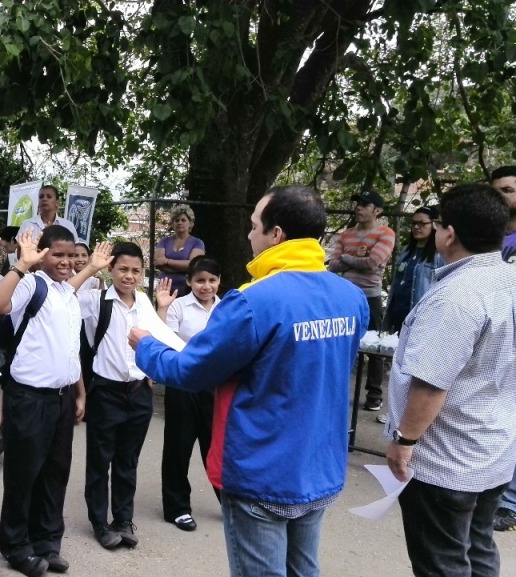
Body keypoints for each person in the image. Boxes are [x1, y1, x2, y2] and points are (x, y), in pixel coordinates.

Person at [130, 185, 368, 577]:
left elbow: (189, 371)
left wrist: (146, 346)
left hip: (263, 471)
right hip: (320, 465)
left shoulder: (252, 301)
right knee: (304, 569)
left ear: (276, 235)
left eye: (255, 225)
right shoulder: (349, 297)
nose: (248, 234)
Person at [384, 183, 516, 576]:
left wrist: (404, 442)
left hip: (446, 461)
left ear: (450, 233)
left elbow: (431, 383)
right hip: (493, 450)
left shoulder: (456, 297)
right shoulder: (511, 281)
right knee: (478, 549)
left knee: (441, 563)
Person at [0, 225, 87, 577]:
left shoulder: (65, 292)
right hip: (29, 399)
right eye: (57, 254)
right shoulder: (30, 284)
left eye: (70, 255)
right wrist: (21, 266)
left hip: (60, 400)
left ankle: (47, 541)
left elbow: (68, 350)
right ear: (41, 254)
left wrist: (78, 392)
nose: (65, 261)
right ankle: (16, 545)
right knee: (23, 474)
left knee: (55, 472)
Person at [67, 242, 159, 550]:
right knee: (99, 461)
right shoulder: (96, 301)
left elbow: (157, 337)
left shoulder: (144, 303)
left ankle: (123, 519)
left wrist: (148, 374)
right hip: (106, 393)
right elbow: (64, 294)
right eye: (123, 269)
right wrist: (90, 267)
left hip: (138, 393)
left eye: (135, 271)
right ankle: (99, 522)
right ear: (111, 270)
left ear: (143, 274)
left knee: (127, 460)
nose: (129, 276)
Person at [154, 256, 222, 532]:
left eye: (212, 280)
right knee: (178, 446)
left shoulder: (226, 308)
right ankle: (177, 507)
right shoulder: (177, 306)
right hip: (183, 383)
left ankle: (229, 502)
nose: (206, 286)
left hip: (215, 386)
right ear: (190, 281)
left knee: (216, 445)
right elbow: (166, 341)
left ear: (219, 281)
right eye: (200, 280)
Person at [328, 190, 396, 412]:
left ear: (377, 211)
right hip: (345, 296)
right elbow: (332, 265)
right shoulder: (346, 234)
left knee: (374, 347)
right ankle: (336, 391)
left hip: (370, 296)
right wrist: (358, 259)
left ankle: (374, 394)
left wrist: (347, 259)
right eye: (358, 203)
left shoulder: (386, 233)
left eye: (365, 204)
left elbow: (374, 262)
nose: (358, 207)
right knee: (341, 342)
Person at [490, 165, 516, 533]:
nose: (503, 196)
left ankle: (512, 501)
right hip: (493, 337)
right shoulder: (492, 236)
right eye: (497, 190)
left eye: (509, 189)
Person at [382, 206, 440, 334]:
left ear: (434, 225)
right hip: (399, 314)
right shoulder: (406, 250)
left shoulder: (439, 254)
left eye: (422, 223)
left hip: (421, 318)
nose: (416, 227)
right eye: (414, 223)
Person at [153, 204, 206, 295]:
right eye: (176, 220)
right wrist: (183, 268)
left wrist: (167, 261)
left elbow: (194, 265)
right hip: (164, 290)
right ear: (172, 224)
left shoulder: (197, 243)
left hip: (187, 290)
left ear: (190, 223)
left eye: (183, 220)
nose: (180, 222)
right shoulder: (164, 241)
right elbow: (158, 263)